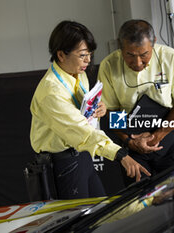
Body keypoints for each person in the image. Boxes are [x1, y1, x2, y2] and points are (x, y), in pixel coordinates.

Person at [30, 20, 150, 199]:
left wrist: (99, 109)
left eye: (90, 54)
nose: (88, 60)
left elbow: (86, 117)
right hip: (64, 161)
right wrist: (120, 153)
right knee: (77, 222)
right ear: (61, 55)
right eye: (83, 55)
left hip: (84, 155)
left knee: (98, 212)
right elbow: (81, 131)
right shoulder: (51, 91)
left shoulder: (80, 73)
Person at [98, 19, 174, 183]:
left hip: (168, 137)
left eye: (144, 55)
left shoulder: (171, 58)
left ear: (154, 43)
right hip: (133, 142)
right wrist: (129, 140)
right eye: (129, 55)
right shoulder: (108, 65)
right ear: (120, 46)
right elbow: (112, 110)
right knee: (139, 202)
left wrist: (156, 136)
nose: (137, 63)